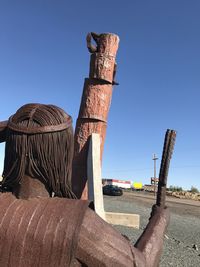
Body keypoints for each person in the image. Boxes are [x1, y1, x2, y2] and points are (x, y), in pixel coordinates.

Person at [0, 103, 169, 267]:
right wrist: (159, 220)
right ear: (62, 155)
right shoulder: (77, 222)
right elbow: (142, 264)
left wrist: (19, 129)